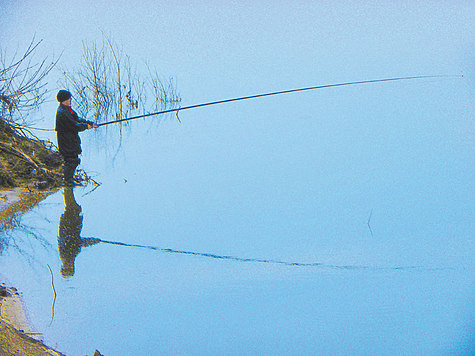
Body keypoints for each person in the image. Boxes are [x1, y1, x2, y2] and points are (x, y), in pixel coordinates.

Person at [54, 90, 98, 186]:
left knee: (73, 159)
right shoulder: (62, 113)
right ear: (64, 100)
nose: (70, 100)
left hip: (71, 140)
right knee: (71, 160)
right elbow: (74, 125)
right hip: (66, 141)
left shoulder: (67, 109)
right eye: (68, 98)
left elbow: (77, 119)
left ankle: (69, 179)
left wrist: (89, 123)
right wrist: (85, 127)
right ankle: (67, 181)